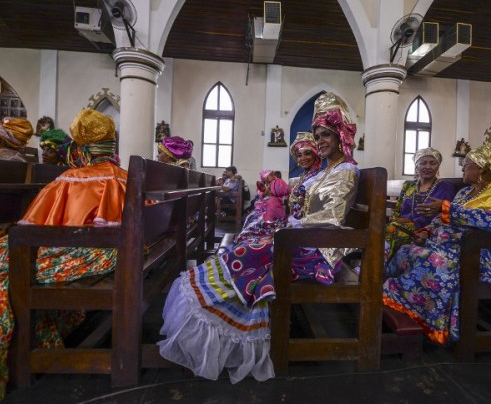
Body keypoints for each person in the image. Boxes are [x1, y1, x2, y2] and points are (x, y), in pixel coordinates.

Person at [158, 92, 359, 382]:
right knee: (246, 248)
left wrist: (287, 226)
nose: (321, 141)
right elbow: (295, 199)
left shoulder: (346, 172)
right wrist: (284, 220)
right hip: (301, 237)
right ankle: (216, 319)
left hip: (319, 249)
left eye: (326, 134)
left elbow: (332, 218)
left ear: (340, 133)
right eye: (318, 135)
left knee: (248, 251)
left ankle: (229, 329)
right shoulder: (323, 172)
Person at [0, 108, 126, 403]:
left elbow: (35, 226)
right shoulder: (124, 177)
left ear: (80, 144)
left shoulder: (73, 180)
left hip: (80, 250)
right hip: (114, 252)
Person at [383, 142, 491, 344]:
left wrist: (449, 209)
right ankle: (399, 301)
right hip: (457, 249)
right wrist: (426, 231)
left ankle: (430, 319)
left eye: (467, 164)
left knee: (434, 262)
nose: (462, 168)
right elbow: (442, 218)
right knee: (406, 250)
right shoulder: (466, 192)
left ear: (482, 169)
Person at [385, 148, 457, 259]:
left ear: (438, 167)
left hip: (429, 230)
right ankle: (374, 265)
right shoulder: (409, 185)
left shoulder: (445, 187)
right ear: (416, 166)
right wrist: (395, 219)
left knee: (396, 232)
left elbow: (446, 216)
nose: (428, 167)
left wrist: (413, 221)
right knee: (382, 229)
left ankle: (384, 267)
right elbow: (398, 209)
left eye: (433, 163)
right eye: (423, 163)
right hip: (401, 226)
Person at [286, 132, 322, 220]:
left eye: (307, 153)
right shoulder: (300, 179)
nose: (303, 158)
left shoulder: (321, 178)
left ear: (315, 155)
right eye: (299, 155)